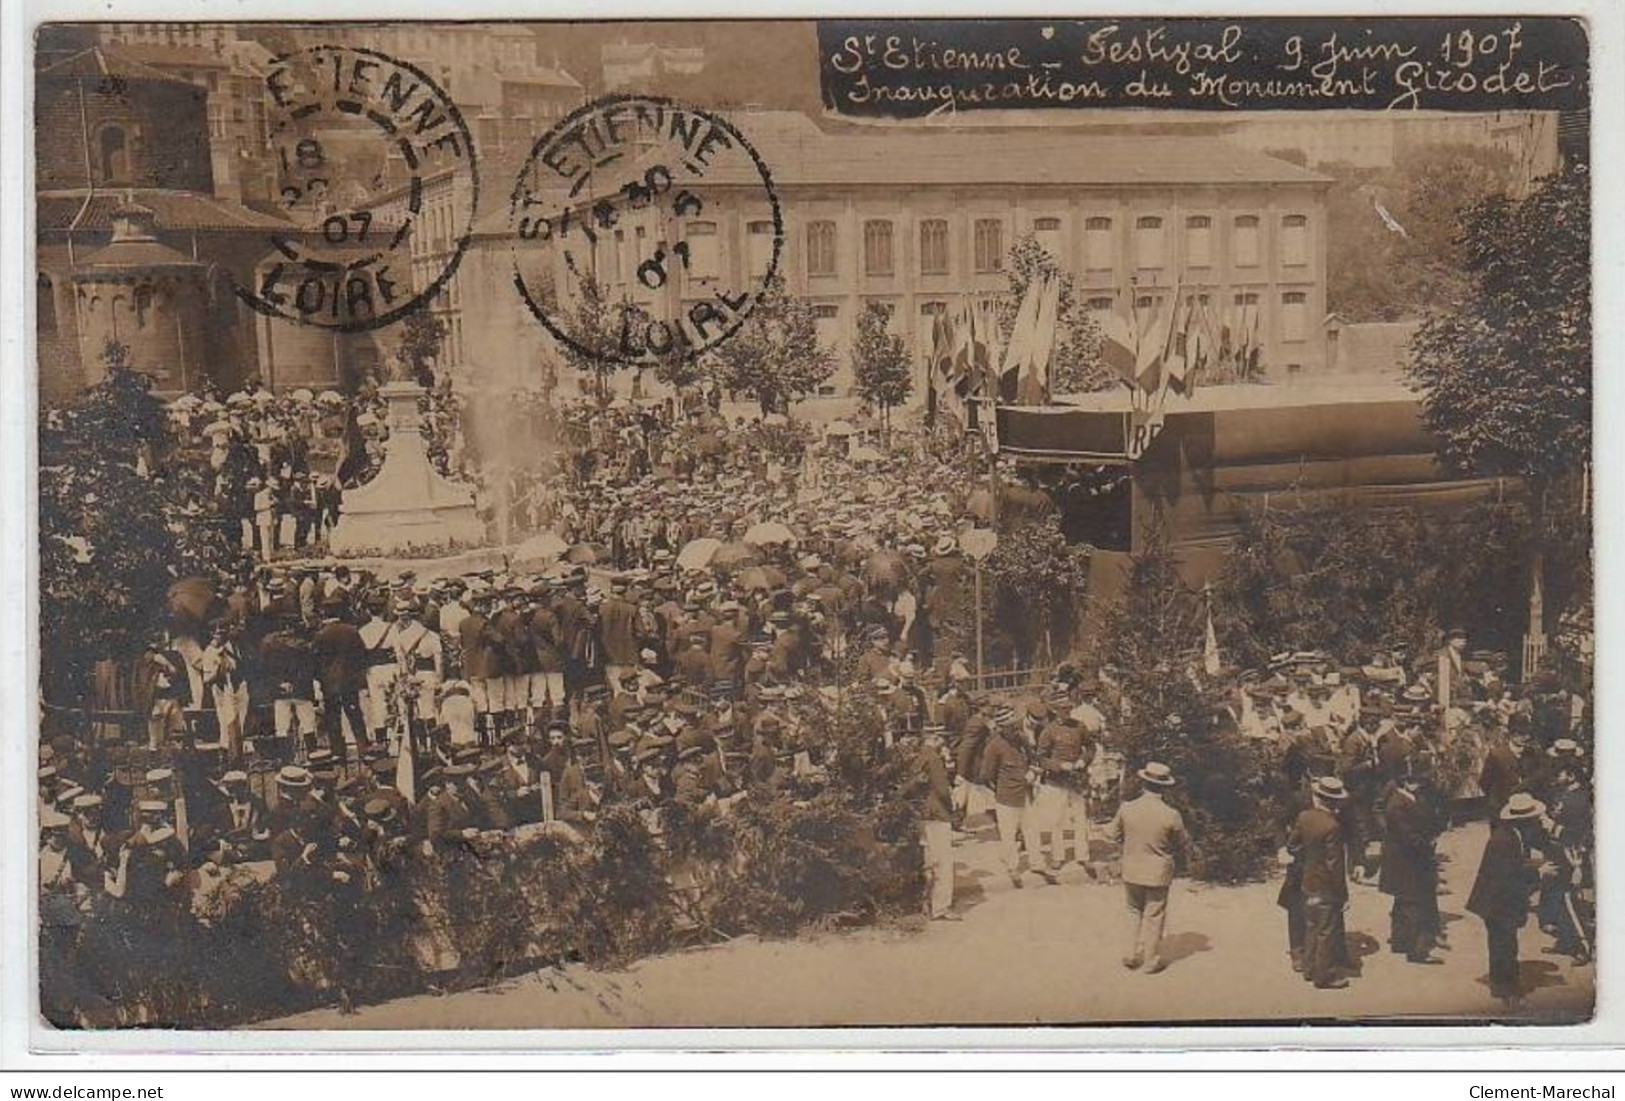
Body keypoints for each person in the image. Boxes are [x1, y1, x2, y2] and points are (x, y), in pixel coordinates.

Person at [1466, 791, 1555, 1006]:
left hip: (1497, 901)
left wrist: (1534, 867)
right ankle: (1509, 991)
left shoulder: (1511, 834)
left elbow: (1514, 866)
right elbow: (1509, 875)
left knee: (1501, 945)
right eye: (1534, 819)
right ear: (1524, 820)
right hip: (1498, 903)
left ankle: (1500, 987)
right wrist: (1538, 872)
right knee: (1505, 948)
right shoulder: (1505, 841)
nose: (1536, 822)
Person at [1106, 761, 1189, 974]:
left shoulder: (1127, 808)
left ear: (1143, 783)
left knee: (1133, 910)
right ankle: (1151, 960)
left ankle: (1130, 953)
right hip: (1158, 871)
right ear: (1164, 787)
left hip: (1131, 868)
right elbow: (1182, 842)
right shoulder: (1171, 814)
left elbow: (1113, 834)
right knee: (1154, 914)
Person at [977, 705, 1054, 889]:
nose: (1013, 729)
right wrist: (1000, 789)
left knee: (1032, 829)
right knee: (1009, 834)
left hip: (1025, 794)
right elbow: (986, 776)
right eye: (1008, 727)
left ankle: (1037, 863)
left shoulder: (1021, 739)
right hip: (1006, 797)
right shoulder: (994, 746)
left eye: (1014, 725)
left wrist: (1032, 772)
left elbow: (1032, 758)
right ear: (1001, 728)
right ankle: (1012, 867)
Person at [1287, 775, 1352, 989]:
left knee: (1311, 925)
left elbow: (1292, 846)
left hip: (1308, 881)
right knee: (1326, 929)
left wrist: (1308, 859)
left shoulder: (1304, 817)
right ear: (1334, 801)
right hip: (1325, 885)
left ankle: (1309, 968)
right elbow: (1335, 864)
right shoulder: (1333, 826)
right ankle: (1325, 976)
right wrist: (1343, 894)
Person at [913, 723, 958, 920]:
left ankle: (926, 902)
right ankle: (941, 907)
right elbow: (942, 790)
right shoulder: (934, 759)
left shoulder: (918, 756)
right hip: (937, 814)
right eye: (942, 738)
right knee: (944, 862)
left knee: (928, 860)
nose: (944, 741)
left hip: (922, 813)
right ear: (935, 738)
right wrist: (953, 808)